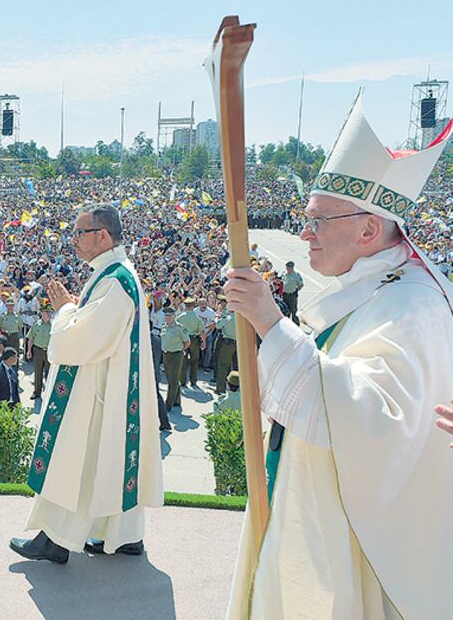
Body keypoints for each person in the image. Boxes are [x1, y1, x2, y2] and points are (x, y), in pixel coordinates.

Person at [223, 97, 453, 620]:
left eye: (317, 222)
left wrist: (269, 323)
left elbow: (368, 423)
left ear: (369, 230)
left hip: (359, 546)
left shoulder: (411, 307)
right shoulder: (375, 286)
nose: (304, 234)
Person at [9, 203, 163, 563]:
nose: (73, 240)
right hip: (113, 386)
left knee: (78, 458)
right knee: (111, 460)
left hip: (98, 392)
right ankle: (124, 536)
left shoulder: (115, 280)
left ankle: (56, 539)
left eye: (80, 233)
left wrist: (64, 309)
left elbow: (83, 340)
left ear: (103, 236)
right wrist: (80, 308)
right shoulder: (116, 273)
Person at [160, 307, 189, 411]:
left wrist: (182, 350)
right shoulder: (164, 326)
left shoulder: (180, 328)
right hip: (166, 354)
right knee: (170, 379)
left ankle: (168, 405)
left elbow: (187, 341)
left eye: (169, 316)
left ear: (174, 316)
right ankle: (177, 400)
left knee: (173, 380)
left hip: (176, 354)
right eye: (166, 316)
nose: (167, 318)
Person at [25, 304, 52, 400]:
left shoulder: (53, 325)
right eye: (47, 312)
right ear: (42, 313)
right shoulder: (36, 324)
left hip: (49, 351)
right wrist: (29, 351)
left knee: (49, 373)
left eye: (50, 312)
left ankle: (49, 393)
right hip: (38, 350)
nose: (49, 314)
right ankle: (37, 392)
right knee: (38, 372)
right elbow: (30, 339)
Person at [176, 296, 204, 387]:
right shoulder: (197, 317)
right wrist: (203, 342)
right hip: (194, 339)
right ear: (193, 306)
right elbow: (201, 331)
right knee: (194, 360)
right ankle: (193, 381)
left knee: (183, 360)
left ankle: (182, 380)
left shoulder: (180, 317)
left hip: (183, 339)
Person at [213, 296, 238, 396]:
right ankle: (236, 386)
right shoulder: (241, 318)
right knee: (236, 366)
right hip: (238, 343)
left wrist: (217, 316)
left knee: (223, 366)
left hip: (227, 343)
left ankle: (221, 388)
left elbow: (218, 325)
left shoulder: (228, 318)